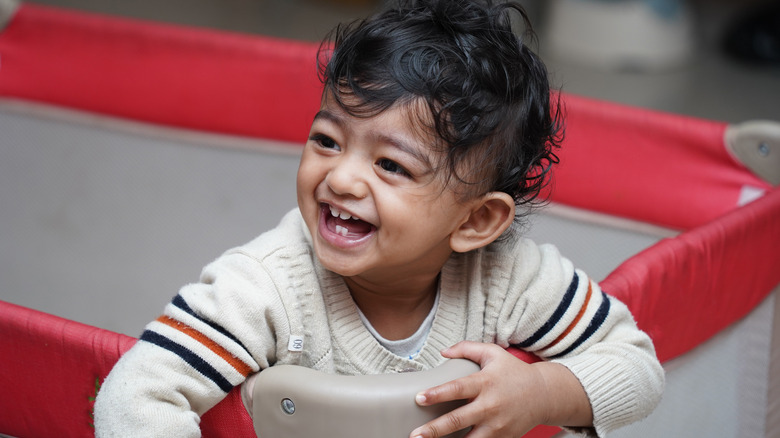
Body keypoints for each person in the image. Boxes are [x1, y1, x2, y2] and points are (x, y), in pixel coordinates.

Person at [94, 0, 664, 436]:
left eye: (391, 164)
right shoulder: (266, 285)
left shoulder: (511, 280)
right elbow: (136, 394)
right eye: (327, 139)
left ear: (475, 222)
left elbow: (637, 368)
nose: (340, 178)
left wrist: (541, 391)